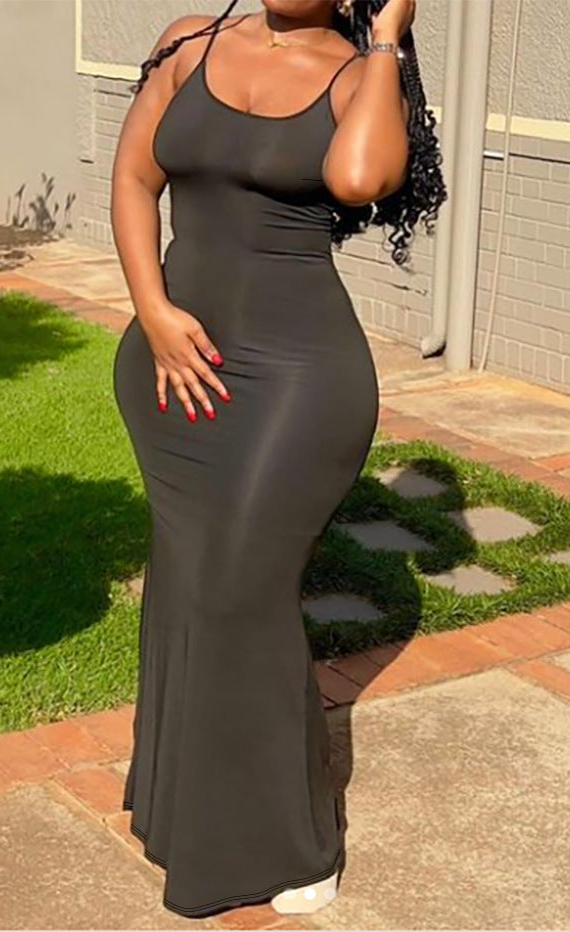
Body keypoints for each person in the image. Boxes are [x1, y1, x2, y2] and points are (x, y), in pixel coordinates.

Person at [110, 0, 445, 919]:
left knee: (239, 594)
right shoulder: (188, 41)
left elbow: (361, 176)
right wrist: (151, 309)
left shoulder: (358, 73)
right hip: (171, 364)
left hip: (296, 381)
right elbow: (134, 177)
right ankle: (182, 807)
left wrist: (388, 36)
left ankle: (296, 840)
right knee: (188, 583)